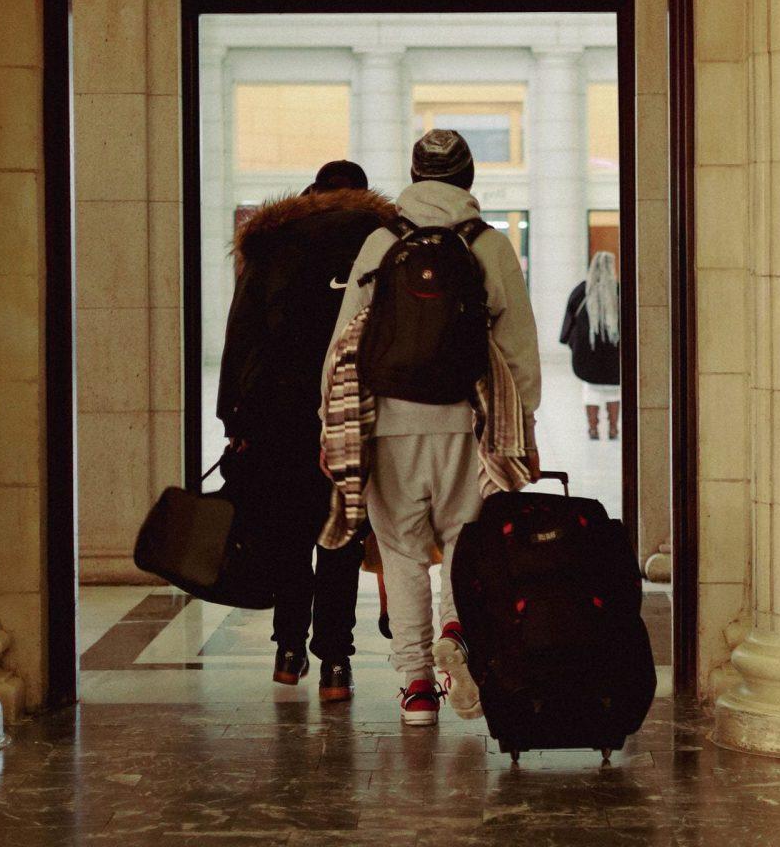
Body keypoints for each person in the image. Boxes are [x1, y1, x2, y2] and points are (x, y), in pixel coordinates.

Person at [322, 130, 541, 726]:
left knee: (401, 552)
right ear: (468, 178)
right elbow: (518, 344)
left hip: (390, 422)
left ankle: (417, 685)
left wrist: (335, 417)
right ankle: (456, 632)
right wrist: (525, 420)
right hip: (466, 422)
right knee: (465, 544)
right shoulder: (488, 245)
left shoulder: (380, 242)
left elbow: (345, 340)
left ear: (415, 176)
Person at [216, 159, 396, 701]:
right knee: (340, 535)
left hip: (280, 416)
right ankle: (336, 664)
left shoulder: (274, 242)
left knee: (291, 536)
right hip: (353, 413)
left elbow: (241, 336)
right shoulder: (385, 240)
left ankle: (289, 652)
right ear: (364, 195)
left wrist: (234, 418)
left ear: (313, 193)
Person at [560, 250, 621, 440]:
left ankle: (593, 429)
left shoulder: (581, 291)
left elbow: (569, 320)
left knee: (591, 390)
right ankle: (612, 428)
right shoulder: (619, 290)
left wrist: (573, 344)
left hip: (587, 353)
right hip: (614, 353)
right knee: (614, 391)